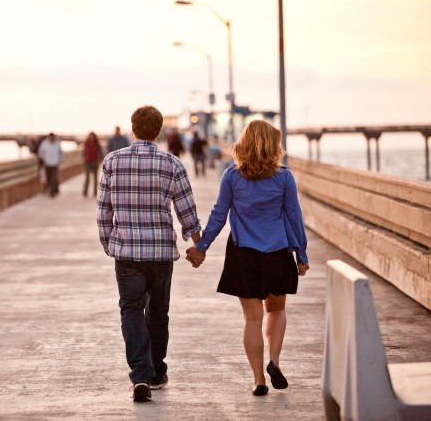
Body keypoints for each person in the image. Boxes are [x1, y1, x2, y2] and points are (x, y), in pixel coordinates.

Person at [186, 119, 309, 397]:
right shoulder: (284, 177)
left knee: (252, 319)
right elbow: (294, 218)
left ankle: (258, 381)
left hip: (244, 255)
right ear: (272, 145)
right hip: (277, 254)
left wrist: (201, 247)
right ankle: (274, 362)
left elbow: (219, 214)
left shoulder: (232, 176)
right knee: (276, 310)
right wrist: (301, 253)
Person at [97, 106, 202, 402]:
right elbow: (187, 212)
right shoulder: (172, 164)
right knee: (158, 312)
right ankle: (156, 372)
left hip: (127, 251)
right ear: (158, 131)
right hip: (160, 253)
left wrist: (109, 243)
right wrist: (198, 245)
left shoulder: (112, 162)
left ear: (133, 128)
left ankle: (140, 376)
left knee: (131, 310)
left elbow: (104, 210)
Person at [38, 132, 63, 197]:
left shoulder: (57, 143)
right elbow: (41, 152)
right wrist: (42, 160)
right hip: (47, 164)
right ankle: (50, 189)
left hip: (55, 164)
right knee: (48, 178)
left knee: (53, 178)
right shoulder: (45, 143)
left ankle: (52, 192)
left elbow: (60, 153)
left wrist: (59, 160)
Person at [82, 131, 102, 197]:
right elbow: (83, 153)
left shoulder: (97, 144)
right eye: (90, 136)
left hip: (95, 162)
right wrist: (84, 160)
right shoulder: (86, 144)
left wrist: (99, 160)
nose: (91, 137)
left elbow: (101, 153)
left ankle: (95, 191)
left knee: (95, 178)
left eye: (92, 136)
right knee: (87, 177)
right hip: (87, 163)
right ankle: (85, 191)